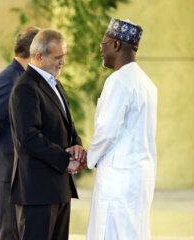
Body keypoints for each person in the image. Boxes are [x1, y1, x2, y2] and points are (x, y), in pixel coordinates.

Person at [9, 29, 86, 240]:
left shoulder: (55, 84)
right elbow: (29, 138)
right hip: (37, 193)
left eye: (64, 56)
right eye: (58, 57)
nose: (62, 62)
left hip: (59, 189)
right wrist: (65, 160)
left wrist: (77, 147)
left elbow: (68, 125)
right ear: (39, 57)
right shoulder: (25, 87)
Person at [86, 19, 157, 240]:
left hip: (118, 181)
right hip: (139, 177)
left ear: (116, 45)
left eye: (104, 44)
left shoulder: (118, 81)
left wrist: (88, 159)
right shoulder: (147, 83)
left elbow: (106, 132)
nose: (101, 49)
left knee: (112, 233)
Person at [0, 27, 39, 240]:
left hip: (21, 171)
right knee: (9, 232)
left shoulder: (27, 77)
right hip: (7, 170)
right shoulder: (9, 79)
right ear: (34, 52)